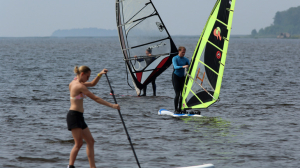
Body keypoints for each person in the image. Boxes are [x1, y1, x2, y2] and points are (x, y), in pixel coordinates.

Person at [67, 66, 120, 168]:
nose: (88, 78)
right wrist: (112, 106)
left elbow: (92, 84)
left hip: (79, 116)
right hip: (74, 116)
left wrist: (100, 74)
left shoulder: (75, 82)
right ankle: (70, 166)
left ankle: (92, 167)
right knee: (78, 144)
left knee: (90, 141)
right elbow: (95, 98)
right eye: (87, 76)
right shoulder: (78, 86)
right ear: (82, 74)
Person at [172, 46, 190, 114]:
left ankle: (181, 108)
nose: (184, 53)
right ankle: (176, 109)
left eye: (184, 52)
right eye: (182, 52)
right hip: (175, 77)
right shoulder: (175, 58)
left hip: (182, 77)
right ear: (179, 51)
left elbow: (190, 66)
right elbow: (175, 67)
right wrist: (184, 66)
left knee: (183, 94)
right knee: (177, 94)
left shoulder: (185, 59)